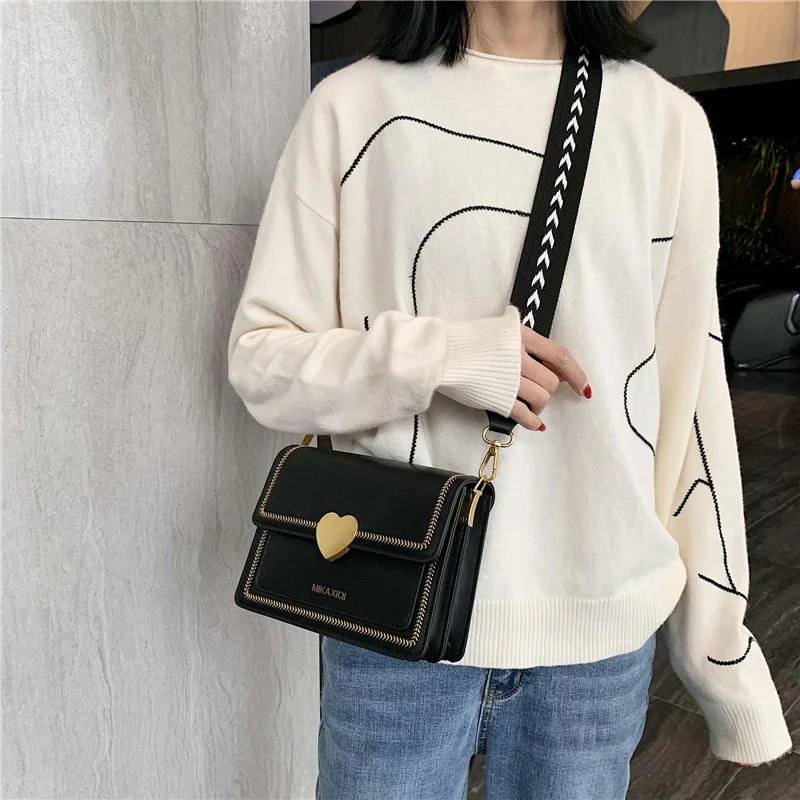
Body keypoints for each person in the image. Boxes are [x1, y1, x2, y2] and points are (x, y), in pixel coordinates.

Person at [228, 2, 792, 798]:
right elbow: (262, 363)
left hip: (597, 633)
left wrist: (720, 656)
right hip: (395, 616)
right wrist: (447, 357)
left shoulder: (663, 124)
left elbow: (689, 402)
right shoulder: (352, 110)